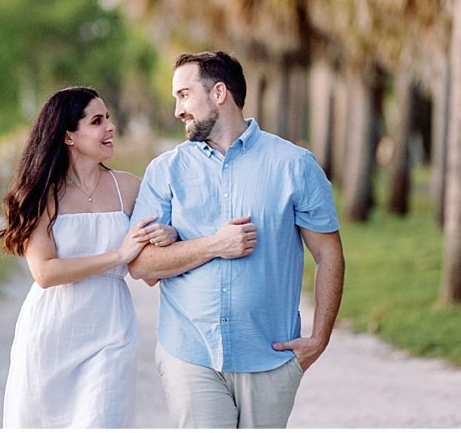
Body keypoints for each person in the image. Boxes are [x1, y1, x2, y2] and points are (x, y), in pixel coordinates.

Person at [128, 51, 345, 429]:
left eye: (184, 94)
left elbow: (329, 255)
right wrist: (216, 244)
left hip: (271, 357)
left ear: (219, 93)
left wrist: (319, 339)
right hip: (189, 354)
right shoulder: (166, 170)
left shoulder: (295, 165)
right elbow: (140, 265)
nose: (178, 109)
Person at [0, 86, 176, 428]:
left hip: (111, 329)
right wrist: (117, 256)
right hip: (50, 331)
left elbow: (152, 269)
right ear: (68, 135)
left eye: (108, 118)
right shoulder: (43, 194)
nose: (110, 127)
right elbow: (45, 272)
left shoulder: (130, 188)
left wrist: (169, 235)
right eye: (97, 121)